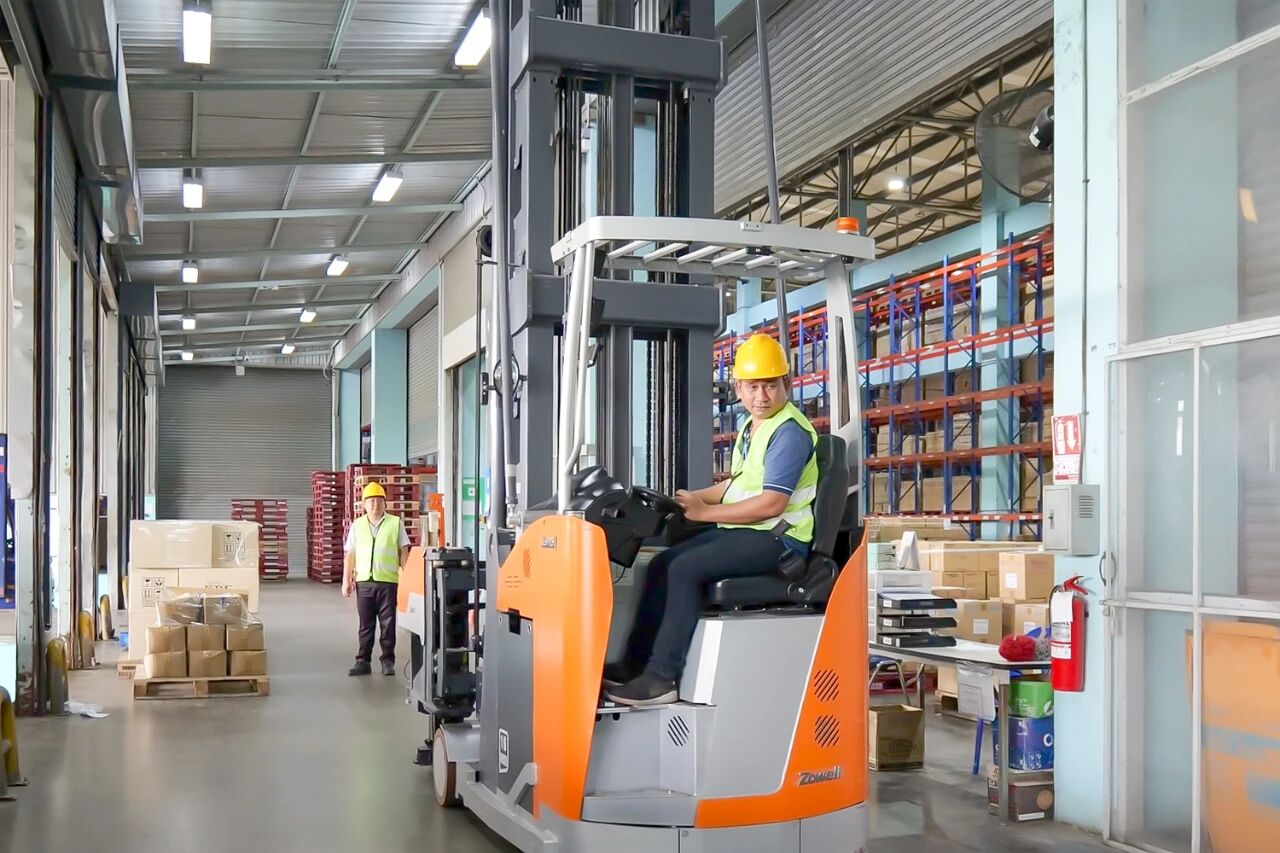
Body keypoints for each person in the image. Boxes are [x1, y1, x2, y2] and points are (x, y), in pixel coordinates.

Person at [604, 334, 819, 707]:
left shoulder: (789, 432)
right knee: (660, 563)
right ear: (738, 388)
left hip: (781, 540)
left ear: (786, 383)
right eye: (753, 387)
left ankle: (662, 678)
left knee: (684, 568)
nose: (761, 396)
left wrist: (705, 513)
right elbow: (738, 484)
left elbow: (771, 503)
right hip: (752, 531)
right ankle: (636, 664)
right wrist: (692, 498)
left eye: (770, 385)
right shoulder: (754, 426)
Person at [342, 482, 411, 676]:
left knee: (388, 624)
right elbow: (350, 554)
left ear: (385, 503)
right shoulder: (357, 525)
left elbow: (404, 552)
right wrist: (346, 580)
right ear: (364, 504)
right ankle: (362, 661)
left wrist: (407, 580)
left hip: (388, 582)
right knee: (366, 625)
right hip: (364, 582)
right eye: (371, 501)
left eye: (379, 501)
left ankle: (388, 661)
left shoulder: (395, 523)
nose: (375, 505)